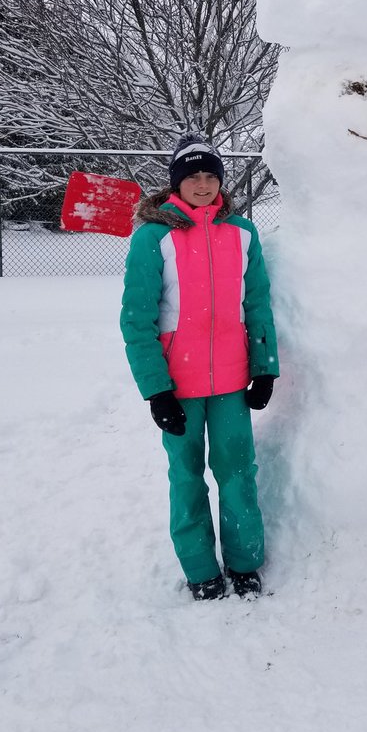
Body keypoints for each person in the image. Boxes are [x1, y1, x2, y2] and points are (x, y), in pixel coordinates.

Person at [120, 135, 279, 600]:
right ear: (177, 183)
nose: (204, 184)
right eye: (193, 176)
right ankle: (200, 569)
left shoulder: (242, 233)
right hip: (178, 385)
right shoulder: (153, 237)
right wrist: (156, 390)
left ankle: (245, 562)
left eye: (211, 175)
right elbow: (137, 318)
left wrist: (264, 367)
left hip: (231, 381)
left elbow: (258, 303)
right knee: (186, 478)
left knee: (238, 474)